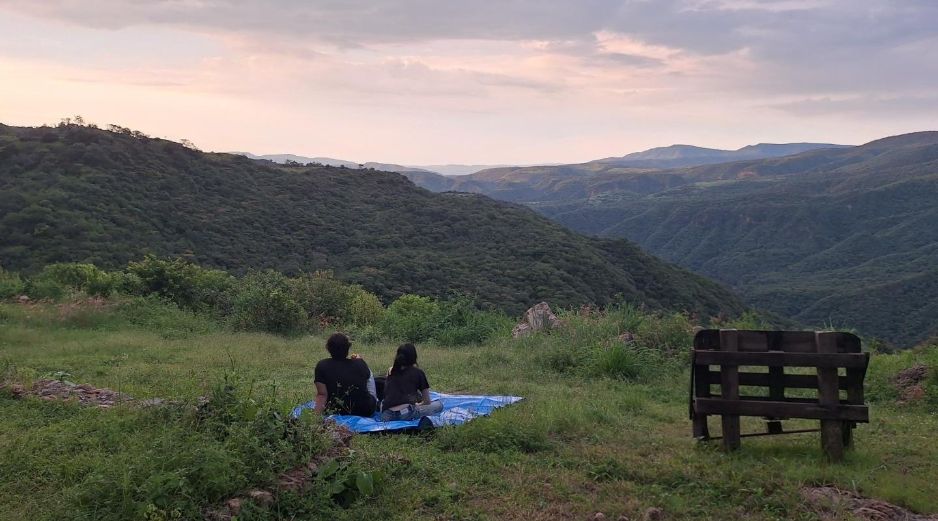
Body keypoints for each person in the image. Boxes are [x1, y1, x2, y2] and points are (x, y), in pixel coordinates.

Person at [313, 333, 377, 417]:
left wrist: (315, 418)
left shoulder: (322, 365)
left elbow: (322, 394)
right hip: (365, 410)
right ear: (348, 348)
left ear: (328, 348)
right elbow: (365, 376)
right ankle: (376, 401)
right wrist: (360, 361)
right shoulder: (359, 364)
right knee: (369, 373)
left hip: (334, 410)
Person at [380, 343, 443, 421]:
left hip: (386, 415)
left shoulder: (391, 370)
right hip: (405, 413)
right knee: (438, 405)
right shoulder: (418, 373)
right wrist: (418, 405)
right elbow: (427, 401)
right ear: (414, 357)